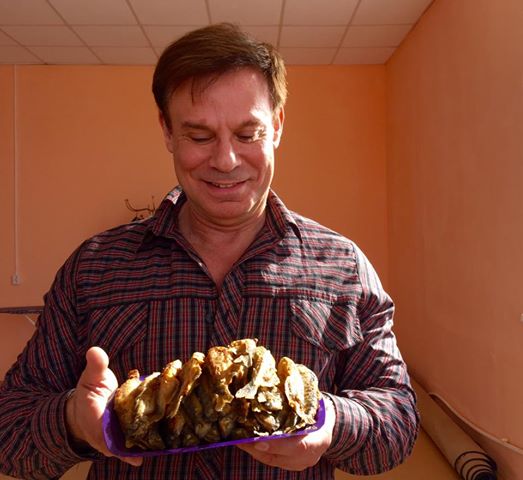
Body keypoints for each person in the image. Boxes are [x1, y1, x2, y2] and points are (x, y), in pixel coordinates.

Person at [0, 23, 419, 480]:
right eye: (200, 136)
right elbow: (10, 434)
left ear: (277, 126)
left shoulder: (343, 267)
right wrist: (74, 421)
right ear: (167, 131)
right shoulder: (95, 268)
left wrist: (329, 421)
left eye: (248, 134)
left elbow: (397, 422)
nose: (225, 160)